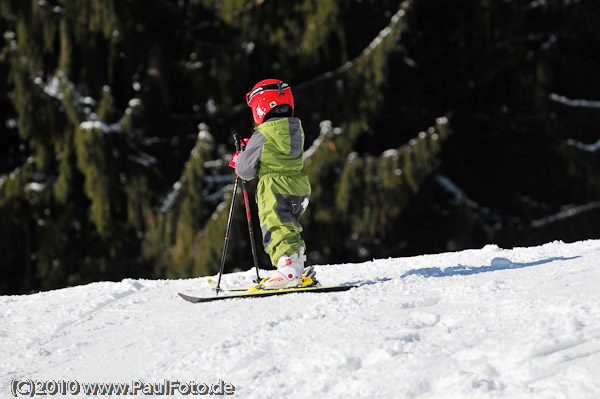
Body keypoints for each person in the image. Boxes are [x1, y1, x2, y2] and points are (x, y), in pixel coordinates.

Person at [228, 79, 311, 289]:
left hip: (273, 188)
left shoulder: (262, 135)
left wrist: (240, 157)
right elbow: (277, 150)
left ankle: (288, 269)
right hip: (298, 185)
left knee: (275, 227)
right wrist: (253, 148)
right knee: (289, 226)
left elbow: (245, 170)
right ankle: (298, 265)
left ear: (260, 106)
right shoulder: (295, 129)